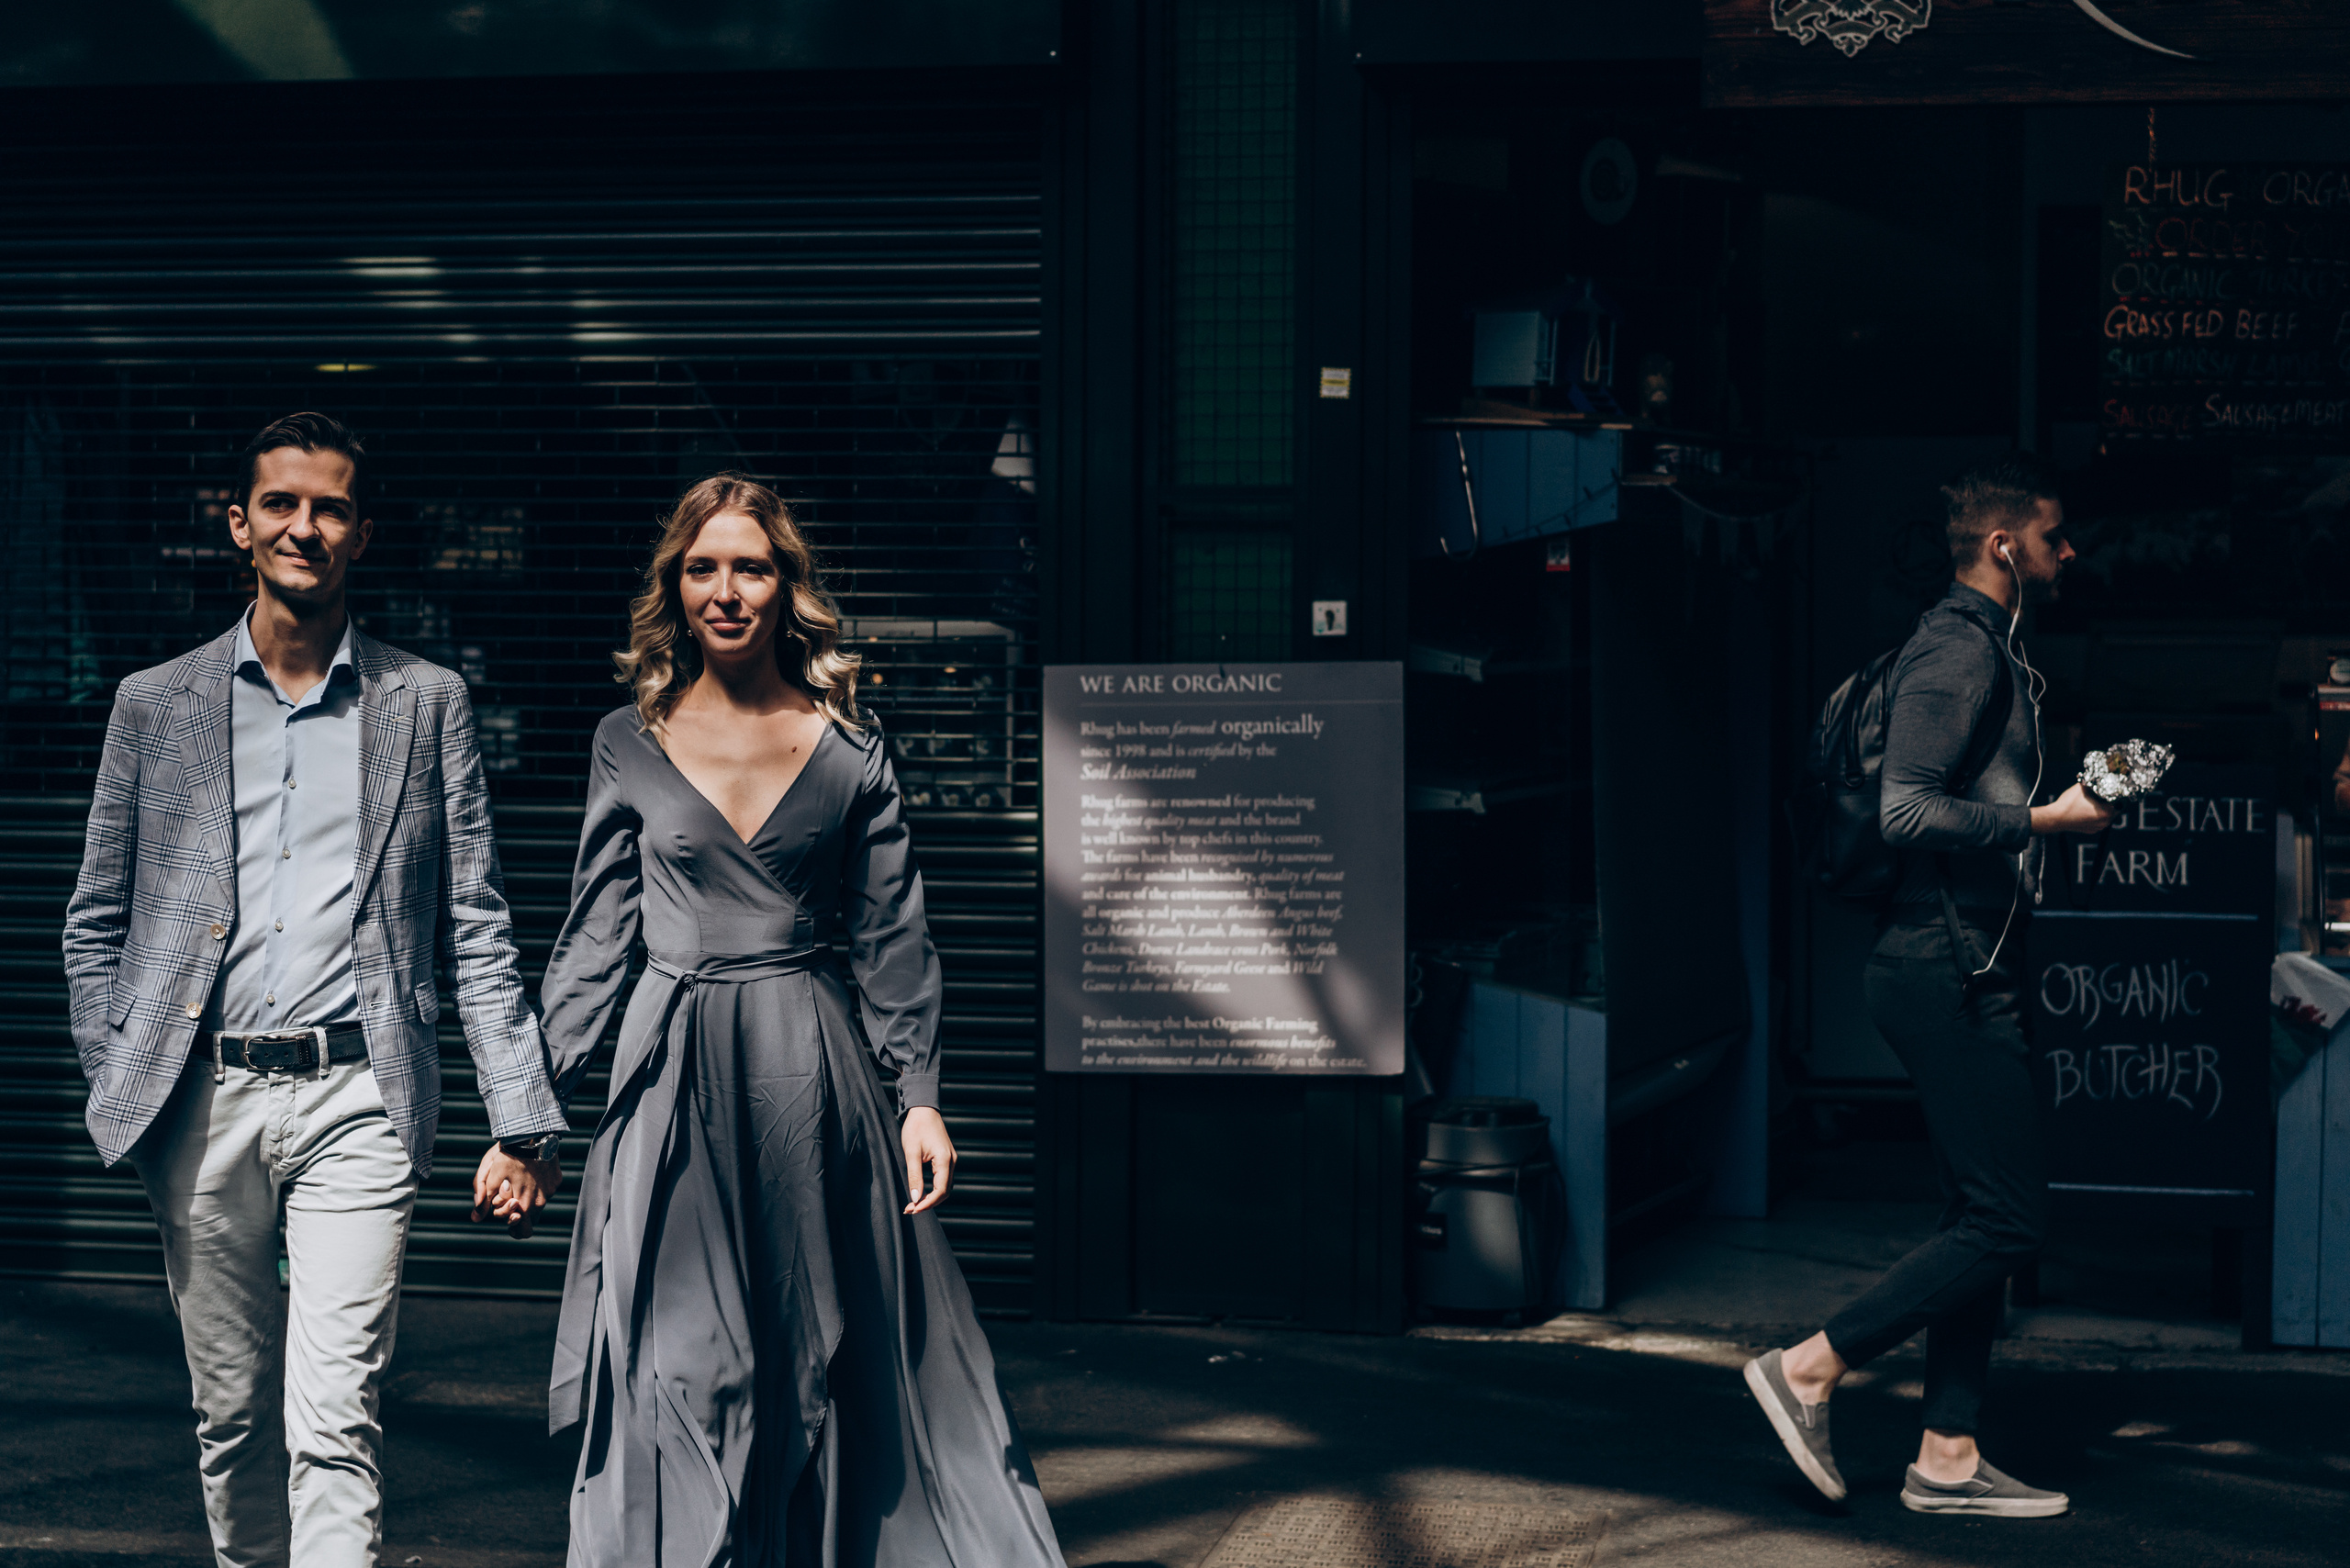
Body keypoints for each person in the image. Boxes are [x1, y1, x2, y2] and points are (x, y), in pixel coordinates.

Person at [60, 411, 567, 1567]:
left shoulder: (424, 701)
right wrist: (124, 1068)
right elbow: (95, 918)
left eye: (330, 506)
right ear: (239, 526)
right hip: (202, 1099)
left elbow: (474, 922)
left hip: (360, 1097)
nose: (306, 526)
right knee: (233, 1416)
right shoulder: (154, 703)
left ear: (361, 533)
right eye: (281, 504)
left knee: (336, 1419)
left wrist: (521, 1113)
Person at [535, 474, 1064, 1566]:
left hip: (808, 1075)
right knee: (682, 1359)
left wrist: (920, 1097)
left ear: (787, 587)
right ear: (676, 587)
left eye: (751, 567)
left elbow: (893, 936)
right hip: (673, 1079)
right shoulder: (626, 739)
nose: (726, 591)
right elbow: (593, 940)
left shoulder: (849, 745)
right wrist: (528, 1115)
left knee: (813, 1350)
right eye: (703, 569)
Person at [1745, 454, 2114, 1518]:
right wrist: (2050, 819)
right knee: (2010, 1221)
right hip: (1940, 968)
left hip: (1960, 959)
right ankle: (1808, 1364)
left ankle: (1947, 1456)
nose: (2066, 551)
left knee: (1978, 1212)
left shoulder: (1984, 645)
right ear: (2003, 546)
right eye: (2051, 536)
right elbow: (1905, 810)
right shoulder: (1956, 650)